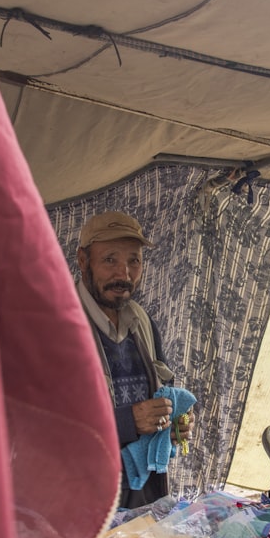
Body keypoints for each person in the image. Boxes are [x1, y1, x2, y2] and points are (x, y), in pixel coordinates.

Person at [76, 210, 193, 508]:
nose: (123, 274)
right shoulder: (56, 326)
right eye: (110, 260)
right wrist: (128, 421)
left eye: (134, 261)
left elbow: (165, 389)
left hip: (144, 490)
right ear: (82, 260)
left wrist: (177, 421)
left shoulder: (141, 319)